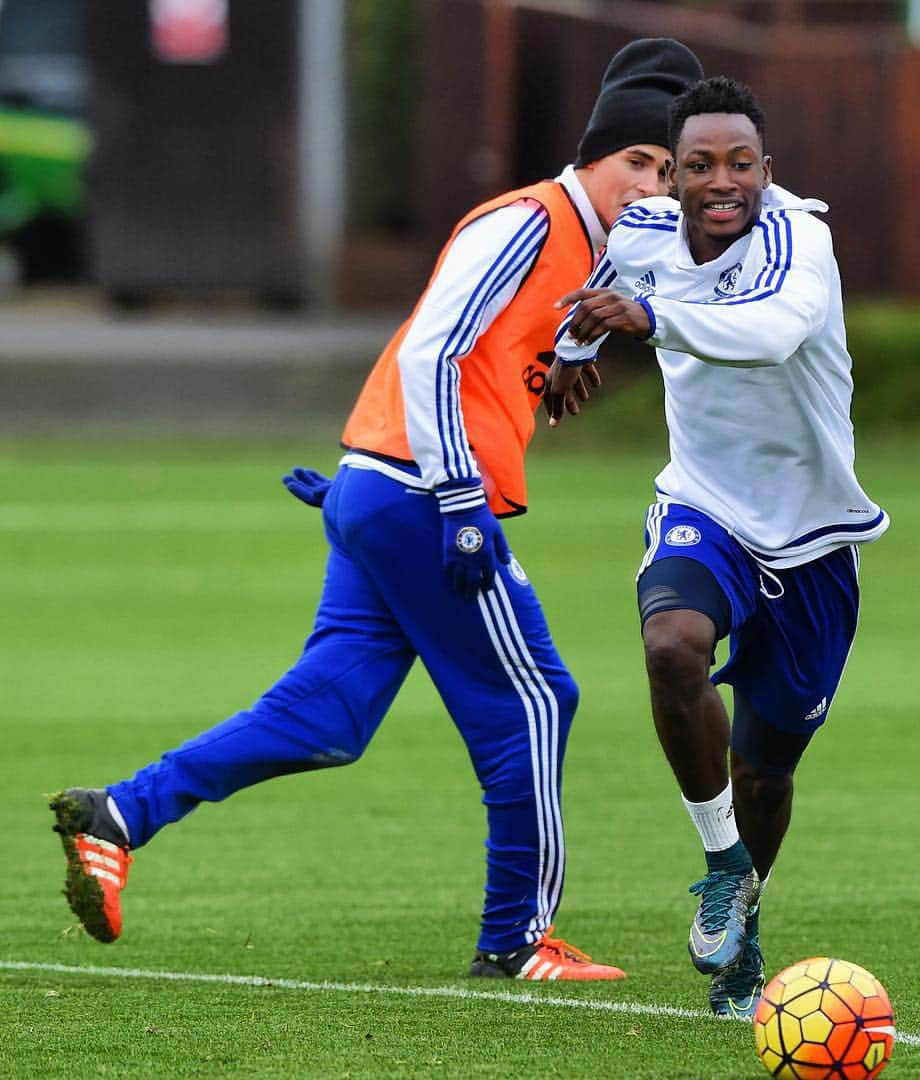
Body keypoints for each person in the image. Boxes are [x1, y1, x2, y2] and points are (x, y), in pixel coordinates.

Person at [49, 38, 705, 982]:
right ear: (593, 156)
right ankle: (517, 941)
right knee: (538, 701)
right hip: (425, 499)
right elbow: (428, 353)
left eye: (665, 171)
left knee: (330, 714)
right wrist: (458, 500)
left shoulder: (599, 248)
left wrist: (559, 356)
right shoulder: (528, 221)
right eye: (636, 164)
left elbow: (493, 347)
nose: (651, 187)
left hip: (382, 487)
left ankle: (120, 815)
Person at [546, 75, 889, 1013]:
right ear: (675, 172)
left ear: (767, 170)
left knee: (767, 771)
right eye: (700, 164)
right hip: (704, 505)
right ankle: (720, 860)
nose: (722, 180)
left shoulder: (799, 240)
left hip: (815, 535)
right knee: (671, 646)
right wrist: (571, 358)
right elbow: (599, 294)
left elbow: (771, 335)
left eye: (741, 162)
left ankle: (745, 922)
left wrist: (648, 321)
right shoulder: (644, 231)